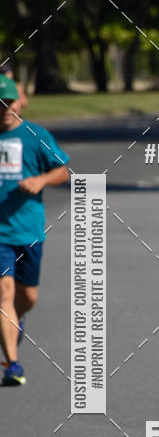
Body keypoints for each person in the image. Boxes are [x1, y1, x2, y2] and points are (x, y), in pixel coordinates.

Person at [0, 74, 70, 385]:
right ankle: (12, 365)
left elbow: (62, 171)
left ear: (19, 103)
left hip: (28, 231)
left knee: (27, 298)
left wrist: (40, 180)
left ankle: (16, 320)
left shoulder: (35, 135)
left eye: (9, 102)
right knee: (4, 293)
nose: (5, 109)